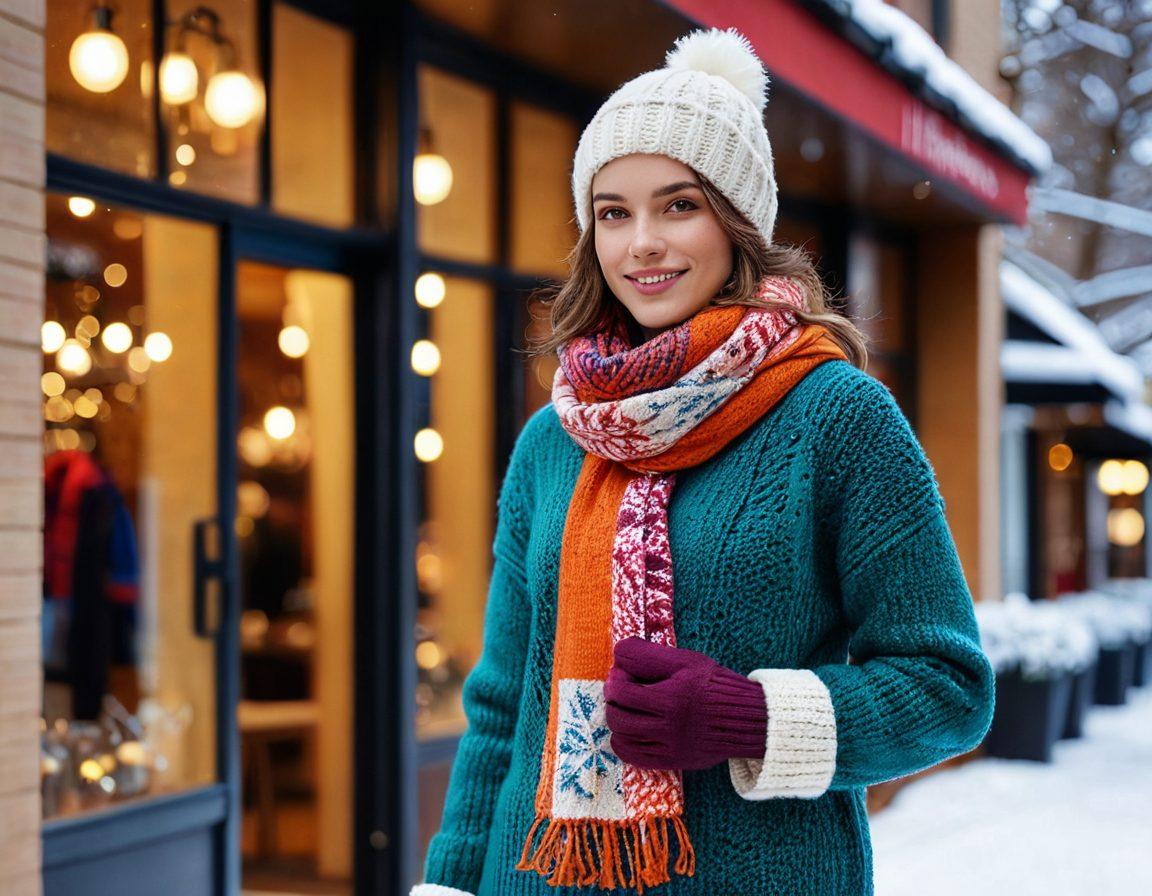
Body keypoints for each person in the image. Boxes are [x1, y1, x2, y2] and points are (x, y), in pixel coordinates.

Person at [412, 27, 995, 896]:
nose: (641, 242)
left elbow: (948, 688)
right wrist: (450, 883)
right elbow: (502, 708)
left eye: (678, 205)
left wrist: (751, 719)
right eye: (614, 212)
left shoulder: (837, 417)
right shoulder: (553, 440)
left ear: (739, 220)